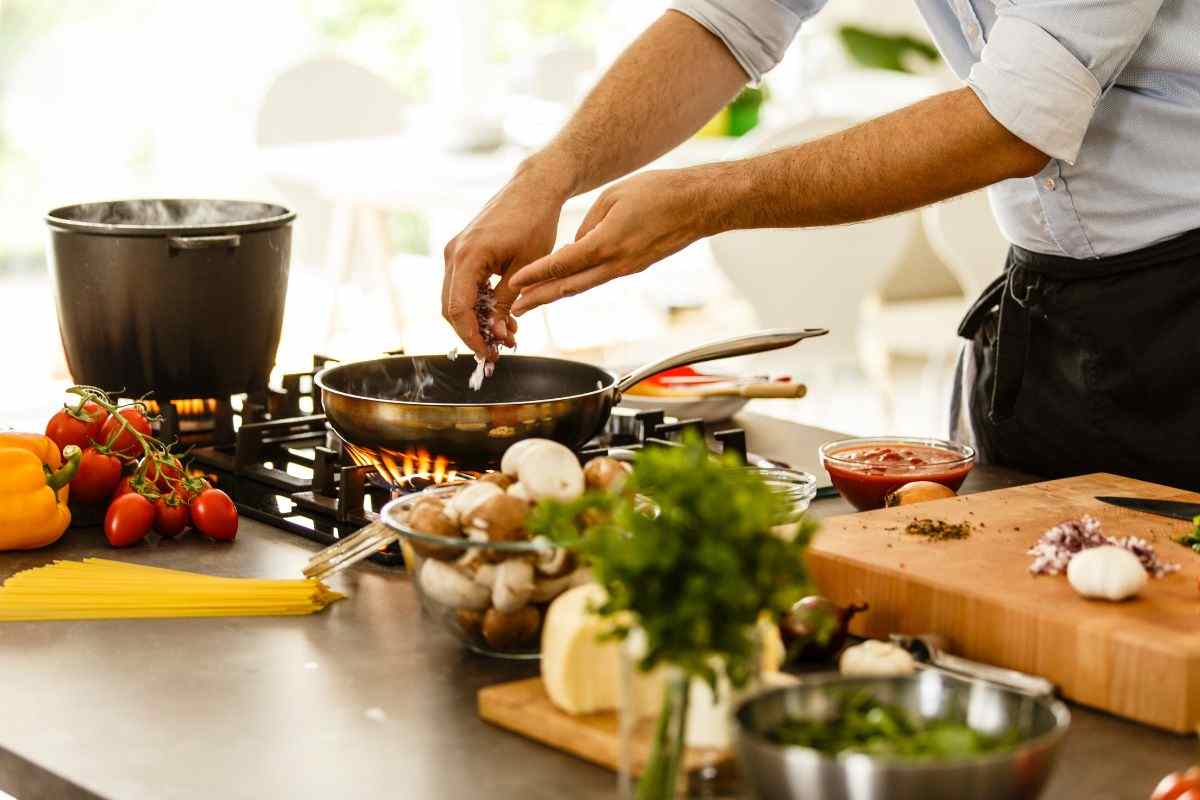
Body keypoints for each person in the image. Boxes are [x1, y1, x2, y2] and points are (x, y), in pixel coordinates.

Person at [442, 1, 1200, 488]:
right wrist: (548, 173)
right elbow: (729, 18)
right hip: (1042, 312)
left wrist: (705, 199)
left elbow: (1013, 122)